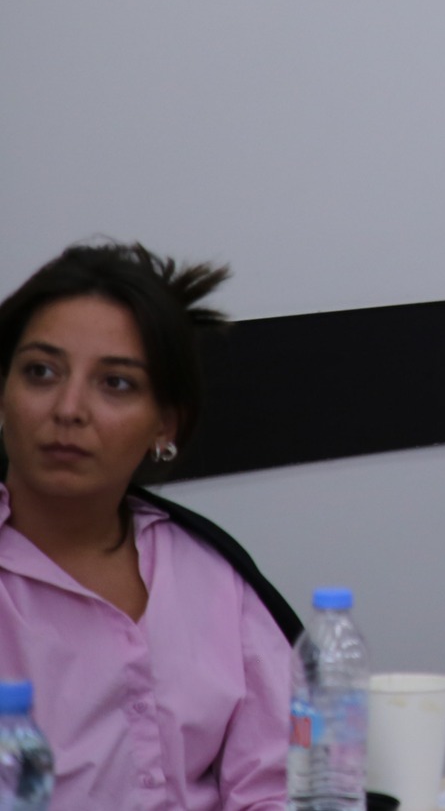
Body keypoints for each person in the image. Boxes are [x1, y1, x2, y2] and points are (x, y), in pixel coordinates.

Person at [0, 242, 294, 811]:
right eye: (41, 372)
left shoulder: (209, 573)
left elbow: (282, 784)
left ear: (165, 425)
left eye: (116, 383)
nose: (69, 409)